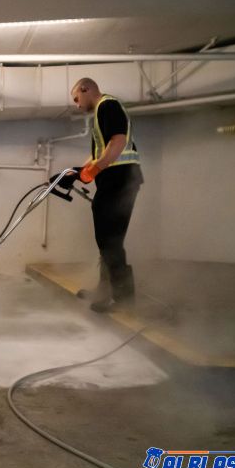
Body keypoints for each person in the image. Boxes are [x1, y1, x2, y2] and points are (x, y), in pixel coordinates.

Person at [70, 77, 143, 312]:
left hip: (120, 179)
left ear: (85, 89)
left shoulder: (107, 105)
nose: (77, 104)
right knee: (106, 240)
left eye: (76, 98)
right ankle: (106, 289)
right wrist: (77, 172)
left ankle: (121, 298)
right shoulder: (101, 112)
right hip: (116, 180)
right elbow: (101, 152)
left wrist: (96, 168)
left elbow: (118, 142)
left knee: (110, 240)